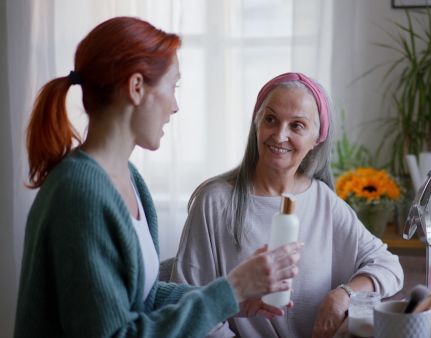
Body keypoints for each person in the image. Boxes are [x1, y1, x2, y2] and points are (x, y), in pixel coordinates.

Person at [14, 17, 303, 338]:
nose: (176, 106)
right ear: (137, 87)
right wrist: (231, 291)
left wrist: (228, 300)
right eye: (173, 86)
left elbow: (142, 299)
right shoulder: (80, 194)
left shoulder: (128, 177)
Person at [171, 72, 404, 337]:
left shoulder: (323, 201)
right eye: (271, 119)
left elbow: (388, 266)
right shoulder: (214, 202)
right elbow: (187, 303)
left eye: (297, 125)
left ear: (318, 138)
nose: (279, 136)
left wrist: (343, 295)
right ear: (256, 123)